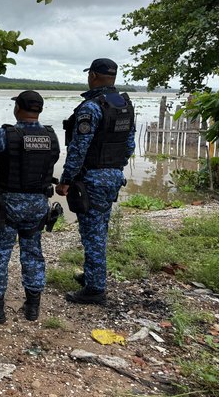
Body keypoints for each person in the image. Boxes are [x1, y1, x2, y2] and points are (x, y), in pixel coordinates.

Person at [0, 91, 60, 324]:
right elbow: (53, 159)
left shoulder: (4, 135)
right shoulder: (51, 136)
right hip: (38, 205)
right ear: (39, 110)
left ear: (18, 108)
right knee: (32, 254)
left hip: (7, 206)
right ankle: (32, 307)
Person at [55, 58, 135, 305]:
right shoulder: (124, 104)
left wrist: (65, 180)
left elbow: (79, 149)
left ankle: (95, 289)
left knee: (93, 234)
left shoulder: (91, 107)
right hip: (112, 176)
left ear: (92, 76)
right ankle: (92, 276)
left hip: (92, 178)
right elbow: (129, 144)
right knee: (100, 228)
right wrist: (113, 169)